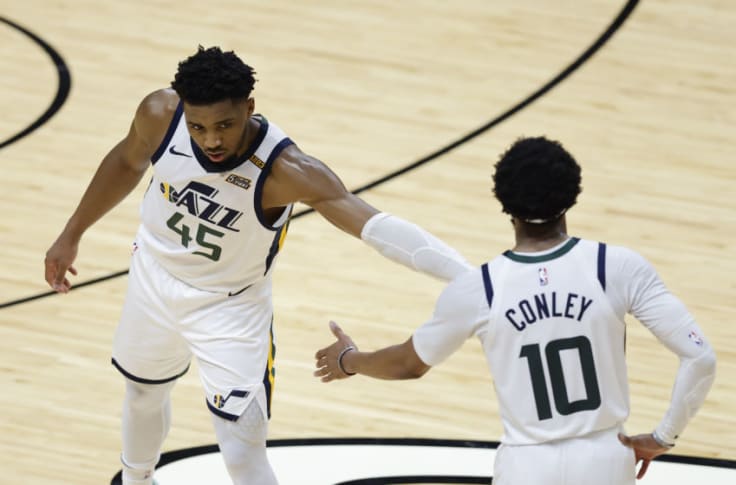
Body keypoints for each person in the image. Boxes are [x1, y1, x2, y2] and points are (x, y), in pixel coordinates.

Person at [44, 46, 472, 485]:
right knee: (142, 394)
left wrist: (473, 279)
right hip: (153, 279)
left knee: (241, 446)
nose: (211, 140)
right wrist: (71, 233)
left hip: (230, 307)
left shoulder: (287, 169)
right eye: (199, 127)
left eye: (225, 126)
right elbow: (126, 161)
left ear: (249, 107)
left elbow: (376, 228)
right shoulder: (159, 114)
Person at [314, 136, 717, 484]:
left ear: (503, 202)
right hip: (605, 458)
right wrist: (664, 436)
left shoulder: (480, 287)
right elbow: (699, 356)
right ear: (573, 194)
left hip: (527, 464)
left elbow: (407, 364)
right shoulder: (617, 266)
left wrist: (350, 360)